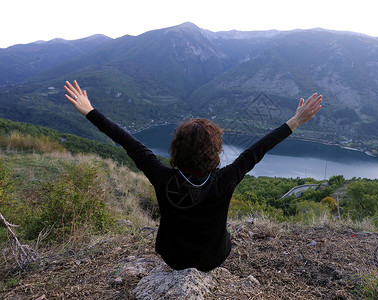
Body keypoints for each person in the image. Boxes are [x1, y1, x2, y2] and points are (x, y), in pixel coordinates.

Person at [64, 80, 322, 271]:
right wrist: (295, 121)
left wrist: (90, 111)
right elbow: (258, 149)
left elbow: (127, 141)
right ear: (216, 152)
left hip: (172, 258)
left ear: (176, 148)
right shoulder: (227, 178)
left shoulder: (162, 177)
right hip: (213, 259)